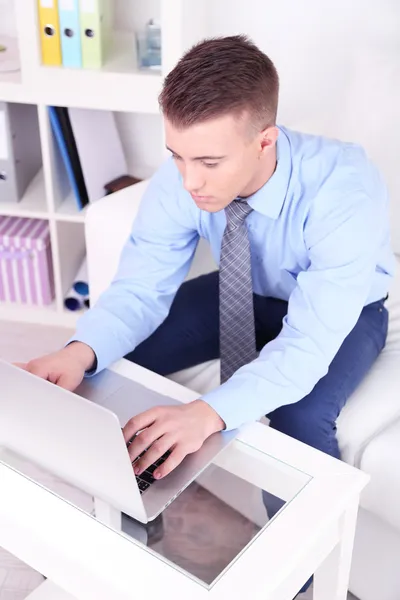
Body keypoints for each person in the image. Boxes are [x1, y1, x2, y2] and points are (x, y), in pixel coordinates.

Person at [19, 35, 394, 592]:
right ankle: (128, 530)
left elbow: (309, 344)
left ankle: (307, 577)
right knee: (114, 364)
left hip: (345, 311)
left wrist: (209, 413)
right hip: (241, 290)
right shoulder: (183, 179)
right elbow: (140, 287)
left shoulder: (345, 189)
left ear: (265, 141)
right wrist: (82, 350)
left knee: (300, 419)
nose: (188, 180)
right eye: (177, 156)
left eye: (209, 161)